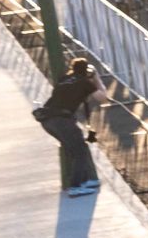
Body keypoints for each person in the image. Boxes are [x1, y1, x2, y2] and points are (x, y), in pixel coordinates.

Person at [34, 57, 101, 193]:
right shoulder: (84, 82)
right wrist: (97, 79)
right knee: (80, 149)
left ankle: (87, 181)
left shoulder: (64, 79)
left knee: (72, 148)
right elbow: (101, 97)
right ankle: (77, 186)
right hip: (62, 120)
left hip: (47, 119)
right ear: (86, 71)